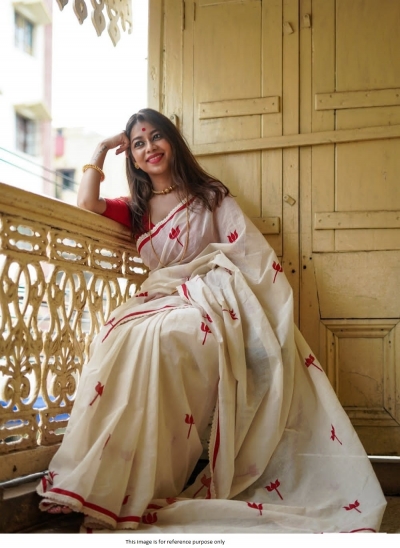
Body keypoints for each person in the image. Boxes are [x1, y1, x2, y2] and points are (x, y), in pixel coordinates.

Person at [37, 109, 386, 533]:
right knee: (121, 337)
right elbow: (87, 203)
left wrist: (216, 288)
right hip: (161, 299)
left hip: (214, 300)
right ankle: (101, 481)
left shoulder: (209, 195)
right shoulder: (138, 209)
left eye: (156, 137)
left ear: (173, 141)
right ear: (131, 156)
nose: (149, 148)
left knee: (167, 335)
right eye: (138, 143)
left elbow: (247, 252)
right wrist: (99, 150)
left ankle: (146, 482)